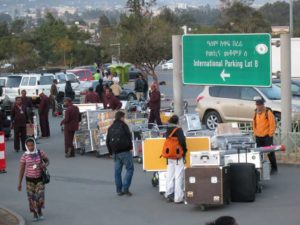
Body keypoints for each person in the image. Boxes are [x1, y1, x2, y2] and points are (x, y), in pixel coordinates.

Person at [18, 138, 49, 221]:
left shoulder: (40, 152)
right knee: (31, 198)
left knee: (40, 196)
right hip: (29, 180)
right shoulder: (24, 156)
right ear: (26, 146)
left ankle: (40, 211)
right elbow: (22, 170)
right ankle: (35, 214)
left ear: (35, 145)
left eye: (32, 145)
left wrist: (43, 165)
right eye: (29, 145)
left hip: (40, 179)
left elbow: (47, 161)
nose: (31, 147)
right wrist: (19, 183)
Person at [106, 111, 134, 196]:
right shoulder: (124, 126)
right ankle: (125, 188)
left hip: (115, 152)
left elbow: (108, 141)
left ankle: (119, 190)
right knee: (130, 169)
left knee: (117, 172)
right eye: (124, 117)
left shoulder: (111, 127)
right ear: (121, 117)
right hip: (125, 151)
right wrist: (130, 147)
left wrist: (111, 152)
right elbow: (129, 137)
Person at [164, 115, 187, 204]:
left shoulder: (168, 129)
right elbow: (182, 142)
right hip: (177, 156)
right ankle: (178, 197)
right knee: (178, 176)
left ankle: (169, 194)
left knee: (170, 175)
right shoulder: (178, 130)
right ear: (177, 122)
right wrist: (184, 151)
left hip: (169, 155)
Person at [253, 98, 277, 173]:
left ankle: (274, 168)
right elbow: (254, 123)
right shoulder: (255, 112)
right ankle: (260, 168)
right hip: (258, 136)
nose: (258, 107)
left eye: (260, 105)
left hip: (267, 136)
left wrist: (270, 134)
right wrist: (255, 132)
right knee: (259, 153)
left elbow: (272, 124)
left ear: (263, 105)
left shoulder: (268, 112)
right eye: (257, 105)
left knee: (270, 153)